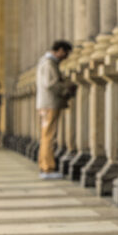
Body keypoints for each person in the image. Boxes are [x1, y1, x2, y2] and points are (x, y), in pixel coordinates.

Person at [36, 40, 76, 179]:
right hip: (50, 104)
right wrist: (67, 89)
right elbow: (51, 84)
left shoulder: (46, 62)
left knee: (46, 135)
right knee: (48, 136)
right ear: (59, 50)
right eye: (65, 53)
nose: (65, 57)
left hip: (46, 104)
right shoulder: (49, 63)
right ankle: (48, 168)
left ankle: (44, 166)